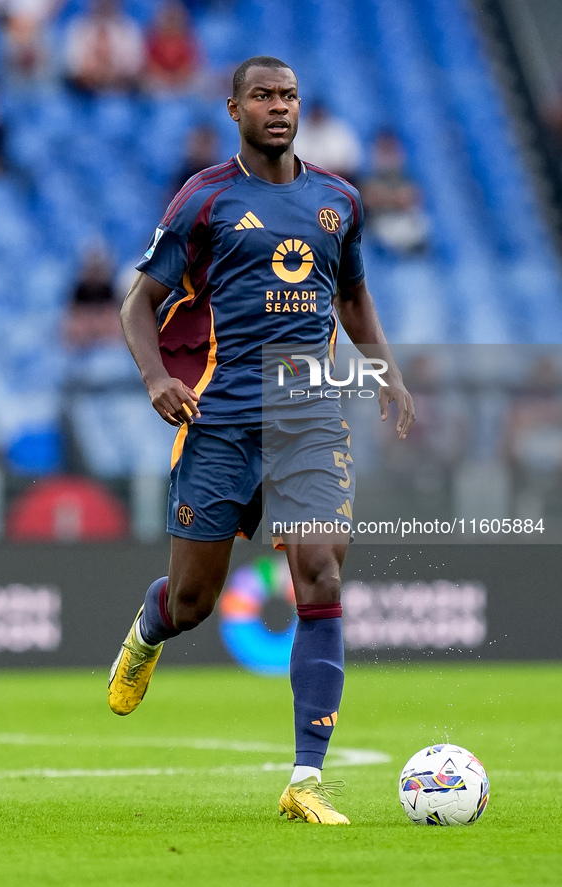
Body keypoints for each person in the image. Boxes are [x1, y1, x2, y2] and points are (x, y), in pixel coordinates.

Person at [108, 55, 415, 825]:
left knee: (320, 573)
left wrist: (386, 372)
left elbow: (351, 294)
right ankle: (150, 629)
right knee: (193, 600)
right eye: (263, 97)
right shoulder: (204, 199)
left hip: (309, 417)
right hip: (217, 423)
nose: (279, 108)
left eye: (289, 96)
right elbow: (137, 305)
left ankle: (304, 778)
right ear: (235, 109)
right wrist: (154, 379)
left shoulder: (338, 199)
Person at [359, 129, 430, 256]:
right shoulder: (368, 176)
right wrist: (394, 198)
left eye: (390, 149)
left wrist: (383, 197)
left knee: (422, 226)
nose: (387, 154)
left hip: (405, 220)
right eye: (383, 149)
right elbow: (367, 199)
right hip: (381, 223)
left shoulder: (406, 175)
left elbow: (410, 199)